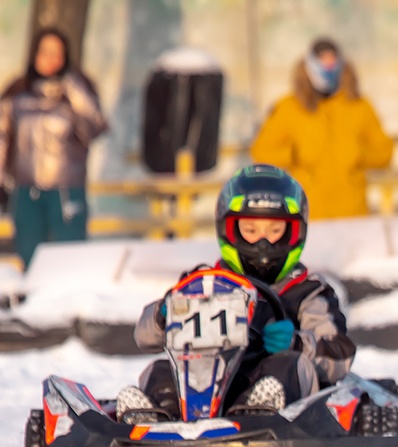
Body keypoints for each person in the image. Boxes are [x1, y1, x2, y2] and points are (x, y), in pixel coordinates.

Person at [117, 165, 355, 421]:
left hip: (276, 398)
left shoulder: (308, 292)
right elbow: (144, 338)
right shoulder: (203, 283)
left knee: (289, 365)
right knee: (159, 370)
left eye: (274, 231)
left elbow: (339, 357)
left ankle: (257, 414)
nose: (263, 243)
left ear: (293, 232)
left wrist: (297, 344)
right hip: (203, 385)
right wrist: (164, 314)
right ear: (229, 230)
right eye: (251, 231)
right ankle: (155, 422)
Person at [250, 37, 393, 220]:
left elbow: (385, 151)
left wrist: (359, 154)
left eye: (332, 62)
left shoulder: (359, 106)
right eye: (322, 62)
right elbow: (261, 152)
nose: (328, 69)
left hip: (353, 212)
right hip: (309, 213)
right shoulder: (289, 108)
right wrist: (293, 155)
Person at [0, 28, 108, 269]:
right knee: (30, 260)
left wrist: (74, 90)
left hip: (66, 191)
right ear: (34, 54)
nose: (51, 60)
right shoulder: (16, 94)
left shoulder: (77, 93)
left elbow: (96, 127)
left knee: (68, 262)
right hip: (26, 192)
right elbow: (3, 138)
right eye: (45, 52)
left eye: (57, 54)